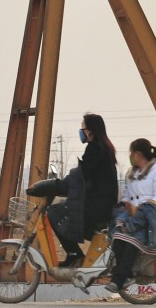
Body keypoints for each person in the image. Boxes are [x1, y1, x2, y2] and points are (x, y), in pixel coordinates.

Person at [45, 113, 118, 267]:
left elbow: (82, 174)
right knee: (71, 215)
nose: (81, 131)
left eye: (82, 127)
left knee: (54, 212)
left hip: (98, 204)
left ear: (90, 130)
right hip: (103, 203)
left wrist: (58, 185)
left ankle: (74, 255)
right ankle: (95, 255)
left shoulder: (95, 148)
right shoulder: (104, 147)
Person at [106, 138, 156, 293]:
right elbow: (127, 196)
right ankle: (126, 274)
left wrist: (143, 208)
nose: (130, 156)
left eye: (131, 153)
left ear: (137, 154)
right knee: (118, 237)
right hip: (134, 217)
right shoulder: (132, 174)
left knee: (131, 241)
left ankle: (118, 279)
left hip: (154, 217)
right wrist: (125, 205)